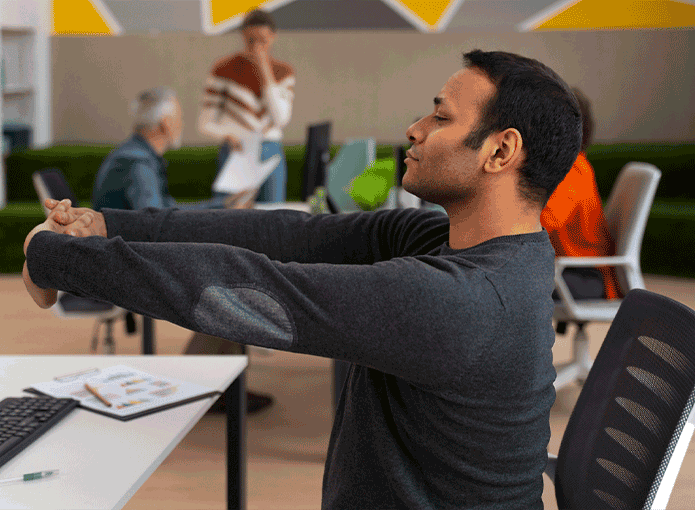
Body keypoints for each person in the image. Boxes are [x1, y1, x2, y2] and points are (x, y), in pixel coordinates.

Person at [23, 49, 581, 509]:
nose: (415, 129)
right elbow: (289, 237)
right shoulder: (457, 243)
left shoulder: (464, 301)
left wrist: (52, 258)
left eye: (440, 118)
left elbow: (258, 290)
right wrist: (107, 225)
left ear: (500, 150)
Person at [198, 8, 294, 205]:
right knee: (230, 214)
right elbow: (205, 122)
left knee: (274, 215)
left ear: (273, 37)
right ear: (242, 36)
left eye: (263, 41)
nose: (257, 47)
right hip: (237, 151)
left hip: (271, 150)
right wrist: (228, 135)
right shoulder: (222, 70)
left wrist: (265, 72)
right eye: (251, 41)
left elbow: (281, 119)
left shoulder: (283, 72)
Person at [92, 87, 231, 212]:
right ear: (166, 123)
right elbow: (154, 220)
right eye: (179, 118)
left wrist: (222, 206)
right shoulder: (137, 163)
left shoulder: (135, 155)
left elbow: (167, 209)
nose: (182, 124)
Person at [541, 87, 621, 302]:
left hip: (585, 276)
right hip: (569, 269)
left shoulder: (573, 169)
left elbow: (545, 221)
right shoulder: (569, 165)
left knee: (503, 282)